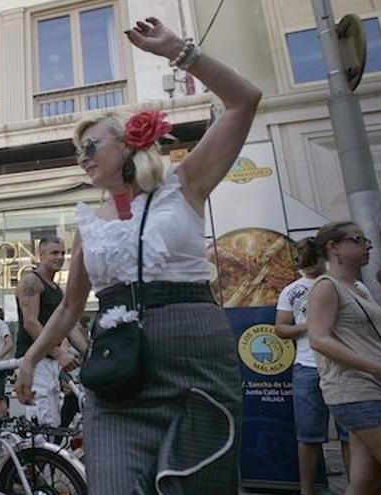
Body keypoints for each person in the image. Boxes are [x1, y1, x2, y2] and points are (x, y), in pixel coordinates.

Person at [16, 17, 261, 494]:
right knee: (112, 483)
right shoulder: (88, 221)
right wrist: (31, 359)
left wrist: (180, 52)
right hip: (117, 362)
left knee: (196, 483)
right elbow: (69, 308)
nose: (82, 156)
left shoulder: (184, 183)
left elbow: (243, 101)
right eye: (76, 151)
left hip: (191, 352)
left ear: (128, 141)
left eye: (90, 145)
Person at [308, 221, 381, 495]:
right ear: (334, 247)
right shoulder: (326, 286)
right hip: (357, 391)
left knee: (368, 483)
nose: (368, 245)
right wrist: (377, 369)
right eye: (358, 239)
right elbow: (318, 339)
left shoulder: (358, 289)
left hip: (370, 390)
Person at [276, 237, 350, 494]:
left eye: (311, 262)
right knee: (308, 435)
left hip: (343, 366)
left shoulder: (345, 284)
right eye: (303, 263)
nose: (308, 269)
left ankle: (357, 487)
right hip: (307, 366)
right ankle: (307, 490)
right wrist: (311, 324)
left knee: (350, 432)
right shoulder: (291, 290)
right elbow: (281, 329)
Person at [15, 237, 87, 427]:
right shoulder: (31, 281)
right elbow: (30, 323)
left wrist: (89, 352)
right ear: (41, 255)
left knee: (54, 421)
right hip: (34, 360)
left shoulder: (57, 290)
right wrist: (59, 353)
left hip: (50, 363)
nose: (60, 257)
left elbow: (70, 327)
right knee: (43, 422)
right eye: (54, 252)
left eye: (63, 253)